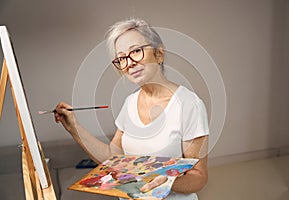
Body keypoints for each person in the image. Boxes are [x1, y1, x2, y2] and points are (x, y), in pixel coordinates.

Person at [54, 18, 209, 200]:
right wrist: (74, 127)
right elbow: (112, 157)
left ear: (159, 54)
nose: (129, 63)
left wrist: (168, 182)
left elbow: (199, 177)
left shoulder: (189, 104)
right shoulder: (130, 103)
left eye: (136, 51)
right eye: (121, 58)